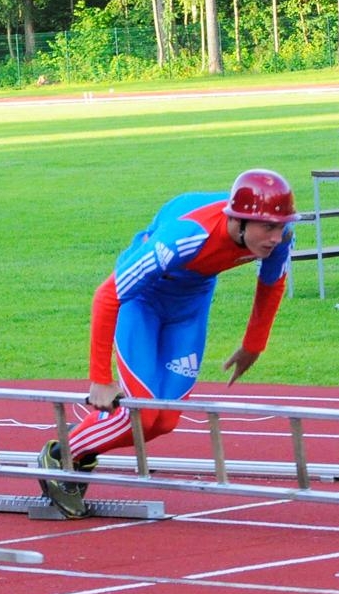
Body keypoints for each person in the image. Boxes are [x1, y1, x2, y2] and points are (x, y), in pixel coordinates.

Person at [35, 169, 299, 518]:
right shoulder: (186, 236)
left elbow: (271, 285)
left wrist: (253, 345)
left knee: (165, 420)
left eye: (281, 227)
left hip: (189, 307)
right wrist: (100, 378)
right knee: (143, 414)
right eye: (267, 228)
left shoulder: (279, 237)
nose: (275, 238)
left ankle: (77, 449)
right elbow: (107, 295)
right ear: (239, 220)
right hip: (142, 302)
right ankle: (60, 456)